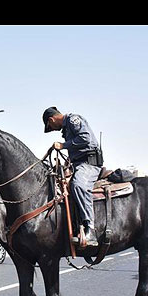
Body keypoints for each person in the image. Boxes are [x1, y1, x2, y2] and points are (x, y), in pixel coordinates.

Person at [43, 106, 103, 247]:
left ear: (51, 119)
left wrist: (63, 145)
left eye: (50, 127)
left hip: (89, 163)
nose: (53, 129)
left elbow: (85, 138)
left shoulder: (72, 119)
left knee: (78, 185)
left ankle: (90, 229)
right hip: (78, 163)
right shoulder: (67, 127)